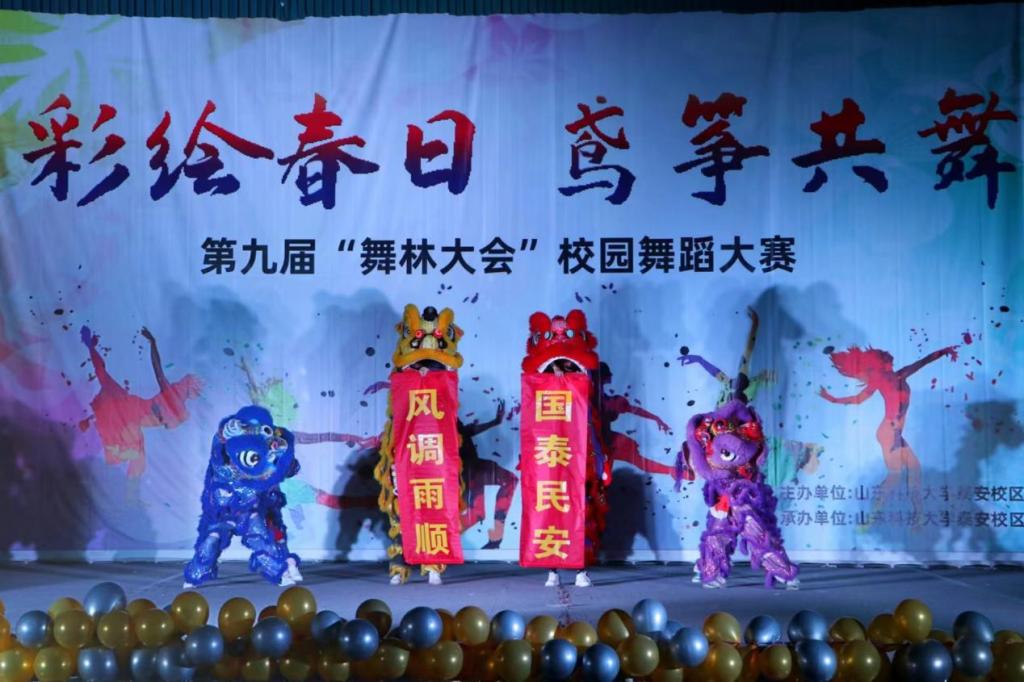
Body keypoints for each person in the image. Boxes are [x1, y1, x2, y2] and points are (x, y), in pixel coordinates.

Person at [820, 343, 958, 517]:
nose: (889, 362)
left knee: (912, 469)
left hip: (894, 433)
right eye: (885, 361)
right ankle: (873, 514)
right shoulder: (880, 380)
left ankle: (916, 515)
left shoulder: (901, 374)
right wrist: (832, 399)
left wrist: (944, 351)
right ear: (878, 364)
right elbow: (858, 399)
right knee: (897, 474)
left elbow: (923, 361)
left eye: (888, 360)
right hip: (888, 432)